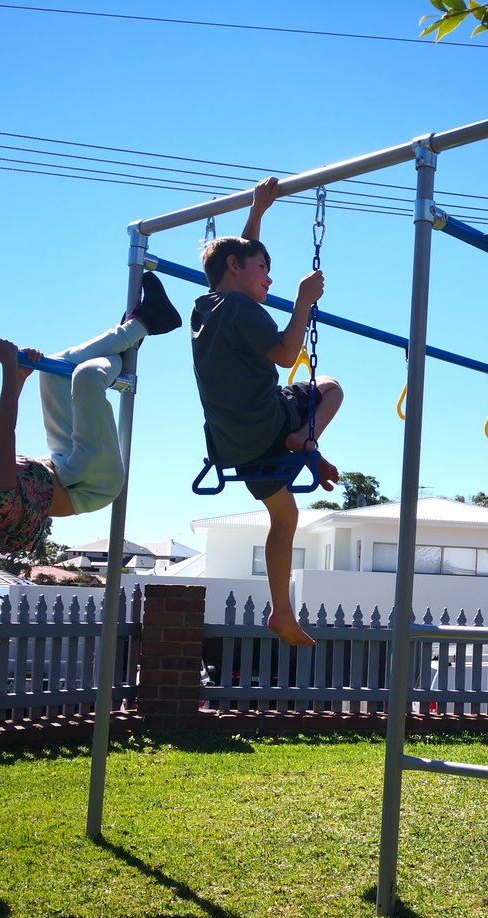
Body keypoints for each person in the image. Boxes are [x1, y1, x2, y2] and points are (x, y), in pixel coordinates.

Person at [0, 272, 182, 685]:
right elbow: (9, 435)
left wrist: (26, 377)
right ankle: (139, 327)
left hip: (64, 464)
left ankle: (141, 326)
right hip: (92, 483)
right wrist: (10, 372)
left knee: (55, 370)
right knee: (85, 378)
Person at [191, 176, 343, 648]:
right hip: (268, 423)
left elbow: (236, 255)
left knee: (286, 518)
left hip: (234, 444)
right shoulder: (241, 306)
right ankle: (303, 438)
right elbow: (284, 353)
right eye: (264, 269)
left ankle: (281, 610)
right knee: (331, 387)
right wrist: (302, 301)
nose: (269, 278)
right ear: (236, 268)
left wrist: (257, 210)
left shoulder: (205, 307)